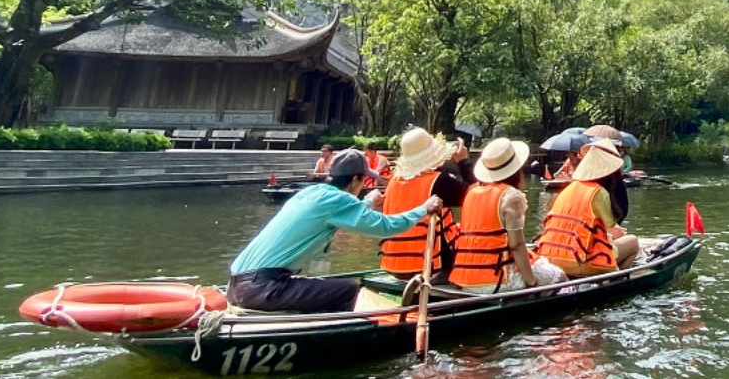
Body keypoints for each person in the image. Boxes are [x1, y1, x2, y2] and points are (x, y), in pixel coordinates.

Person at [228, 149, 441, 314]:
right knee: (348, 290)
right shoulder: (340, 200)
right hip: (264, 288)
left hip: (236, 285)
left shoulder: (311, 192)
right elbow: (387, 227)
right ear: (356, 179)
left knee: (330, 287)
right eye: (363, 179)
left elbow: (333, 214)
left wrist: (366, 202)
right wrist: (424, 208)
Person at [449, 138, 565, 293]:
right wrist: (531, 282)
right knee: (560, 276)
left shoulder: (471, 192)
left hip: (463, 277)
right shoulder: (511, 196)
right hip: (498, 279)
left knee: (538, 262)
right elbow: (516, 245)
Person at [378, 128, 476, 281]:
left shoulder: (394, 182)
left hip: (394, 265)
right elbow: (478, 196)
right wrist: (463, 162)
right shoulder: (438, 181)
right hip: (431, 267)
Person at [535, 143, 640, 276]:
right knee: (633, 242)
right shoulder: (599, 192)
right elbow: (610, 229)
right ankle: (616, 280)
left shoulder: (568, 188)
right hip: (581, 262)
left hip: (550, 260)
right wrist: (615, 234)